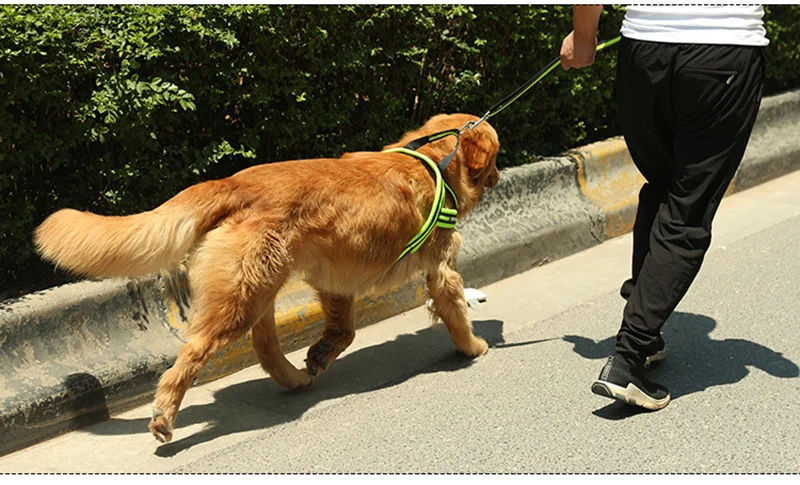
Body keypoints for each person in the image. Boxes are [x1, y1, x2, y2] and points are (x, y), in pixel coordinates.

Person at [560, 5, 768, 410]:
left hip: (645, 53)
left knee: (662, 186)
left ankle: (646, 333)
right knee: (687, 209)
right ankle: (628, 360)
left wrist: (584, 38)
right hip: (724, 51)